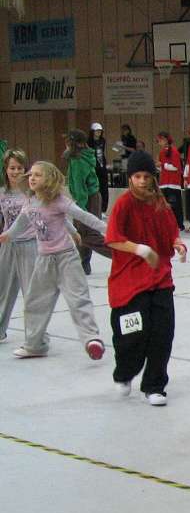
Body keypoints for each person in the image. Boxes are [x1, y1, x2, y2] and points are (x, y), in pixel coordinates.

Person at [0, 161, 106, 360]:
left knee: (78, 298)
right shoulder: (30, 202)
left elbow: (83, 217)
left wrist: (107, 230)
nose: (32, 178)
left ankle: (91, 339)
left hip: (67, 258)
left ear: (49, 179)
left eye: (38, 175)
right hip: (44, 260)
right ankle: (35, 345)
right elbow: (20, 223)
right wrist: (6, 236)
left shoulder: (59, 201)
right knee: (34, 302)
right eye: (31, 174)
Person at [105, 150, 187, 405]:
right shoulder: (123, 204)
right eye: (137, 176)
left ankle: (154, 385)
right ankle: (125, 371)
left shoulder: (161, 204)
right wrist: (140, 249)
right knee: (133, 334)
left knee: (163, 334)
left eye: (146, 176)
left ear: (153, 178)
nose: (142, 181)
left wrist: (178, 245)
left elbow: (172, 232)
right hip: (130, 280)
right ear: (130, 178)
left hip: (160, 278)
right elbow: (113, 239)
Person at [63, 129, 111, 274]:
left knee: (87, 233)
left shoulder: (77, 160)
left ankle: (120, 255)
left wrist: (80, 209)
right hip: (93, 196)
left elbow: (79, 185)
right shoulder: (85, 156)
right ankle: (83, 264)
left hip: (86, 198)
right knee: (82, 232)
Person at [0, 149, 34, 344]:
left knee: (31, 292)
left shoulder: (31, 191)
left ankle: (36, 336)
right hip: (8, 246)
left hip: (29, 245)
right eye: (12, 168)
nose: (15, 172)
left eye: (20, 168)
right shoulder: (2, 193)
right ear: (6, 169)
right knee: (3, 288)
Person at [156, 132, 184, 232]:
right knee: (165, 206)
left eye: (160, 140)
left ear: (165, 140)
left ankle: (179, 224)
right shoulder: (161, 152)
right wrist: (158, 166)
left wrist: (162, 165)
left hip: (173, 183)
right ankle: (168, 224)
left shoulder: (174, 152)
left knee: (175, 206)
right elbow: (163, 169)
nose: (159, 142)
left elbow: (176, 167)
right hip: (164, 183)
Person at [88, 123, 109, 213]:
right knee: (96, 187)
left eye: (100, 131)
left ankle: (103, 209)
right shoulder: (89, 142)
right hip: (94, 167)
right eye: (97, 131)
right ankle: (96, 208)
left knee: (104, 188)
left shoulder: (102, 140)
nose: (99, 133)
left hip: (102, 166)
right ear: (92, 132)